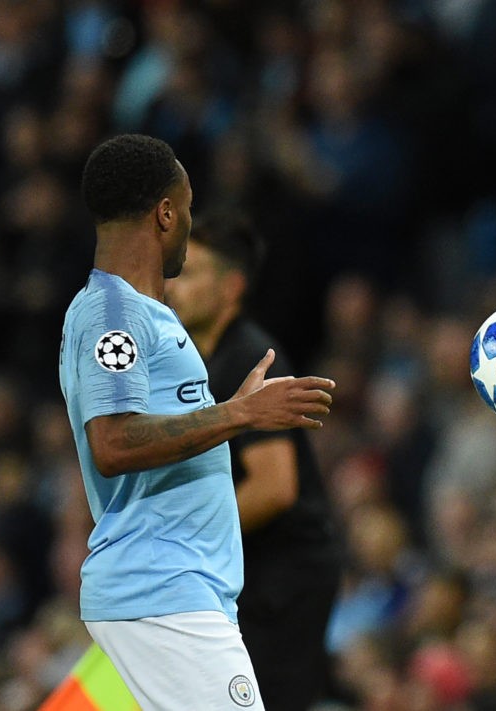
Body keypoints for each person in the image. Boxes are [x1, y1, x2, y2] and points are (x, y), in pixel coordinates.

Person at [58, 134, 336, 711]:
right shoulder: (116, 317)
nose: (187, 223)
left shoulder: (138, 313)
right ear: (165, 213)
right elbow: (111, 442)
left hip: (177, 589)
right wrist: (239, 414)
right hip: (163, 593)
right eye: (185, 209)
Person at [164, 209, 342, 711]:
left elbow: (274, 487)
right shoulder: (197, 361)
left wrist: (185, 542)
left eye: (190, 274)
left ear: (232, 286)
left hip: (285, 575)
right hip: (249, 572)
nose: (173, 288)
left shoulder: (251, 360)